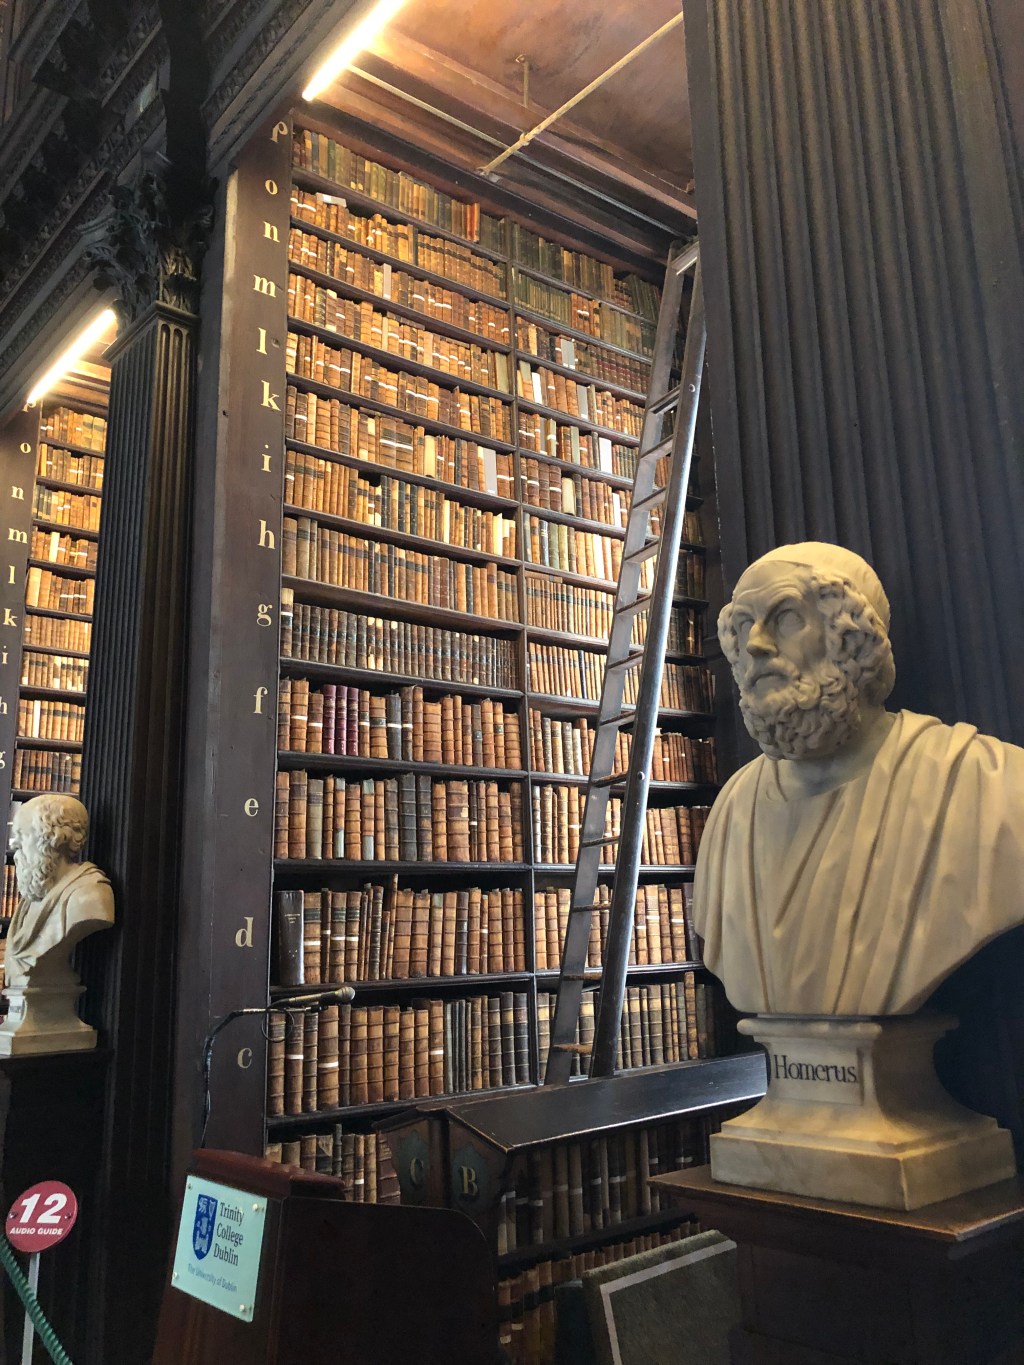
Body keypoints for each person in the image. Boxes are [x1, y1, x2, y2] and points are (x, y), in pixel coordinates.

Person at [691, 541, 1024, 1016]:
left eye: (785, 617)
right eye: (742, 626)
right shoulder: (733, 809)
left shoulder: (988, 786)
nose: (755, 645)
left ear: (851, 636)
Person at [5, 794, 115, 990]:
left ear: (55, 837)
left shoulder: (89, 896)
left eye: (22, 834)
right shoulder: (31, 901)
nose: (14, 844)